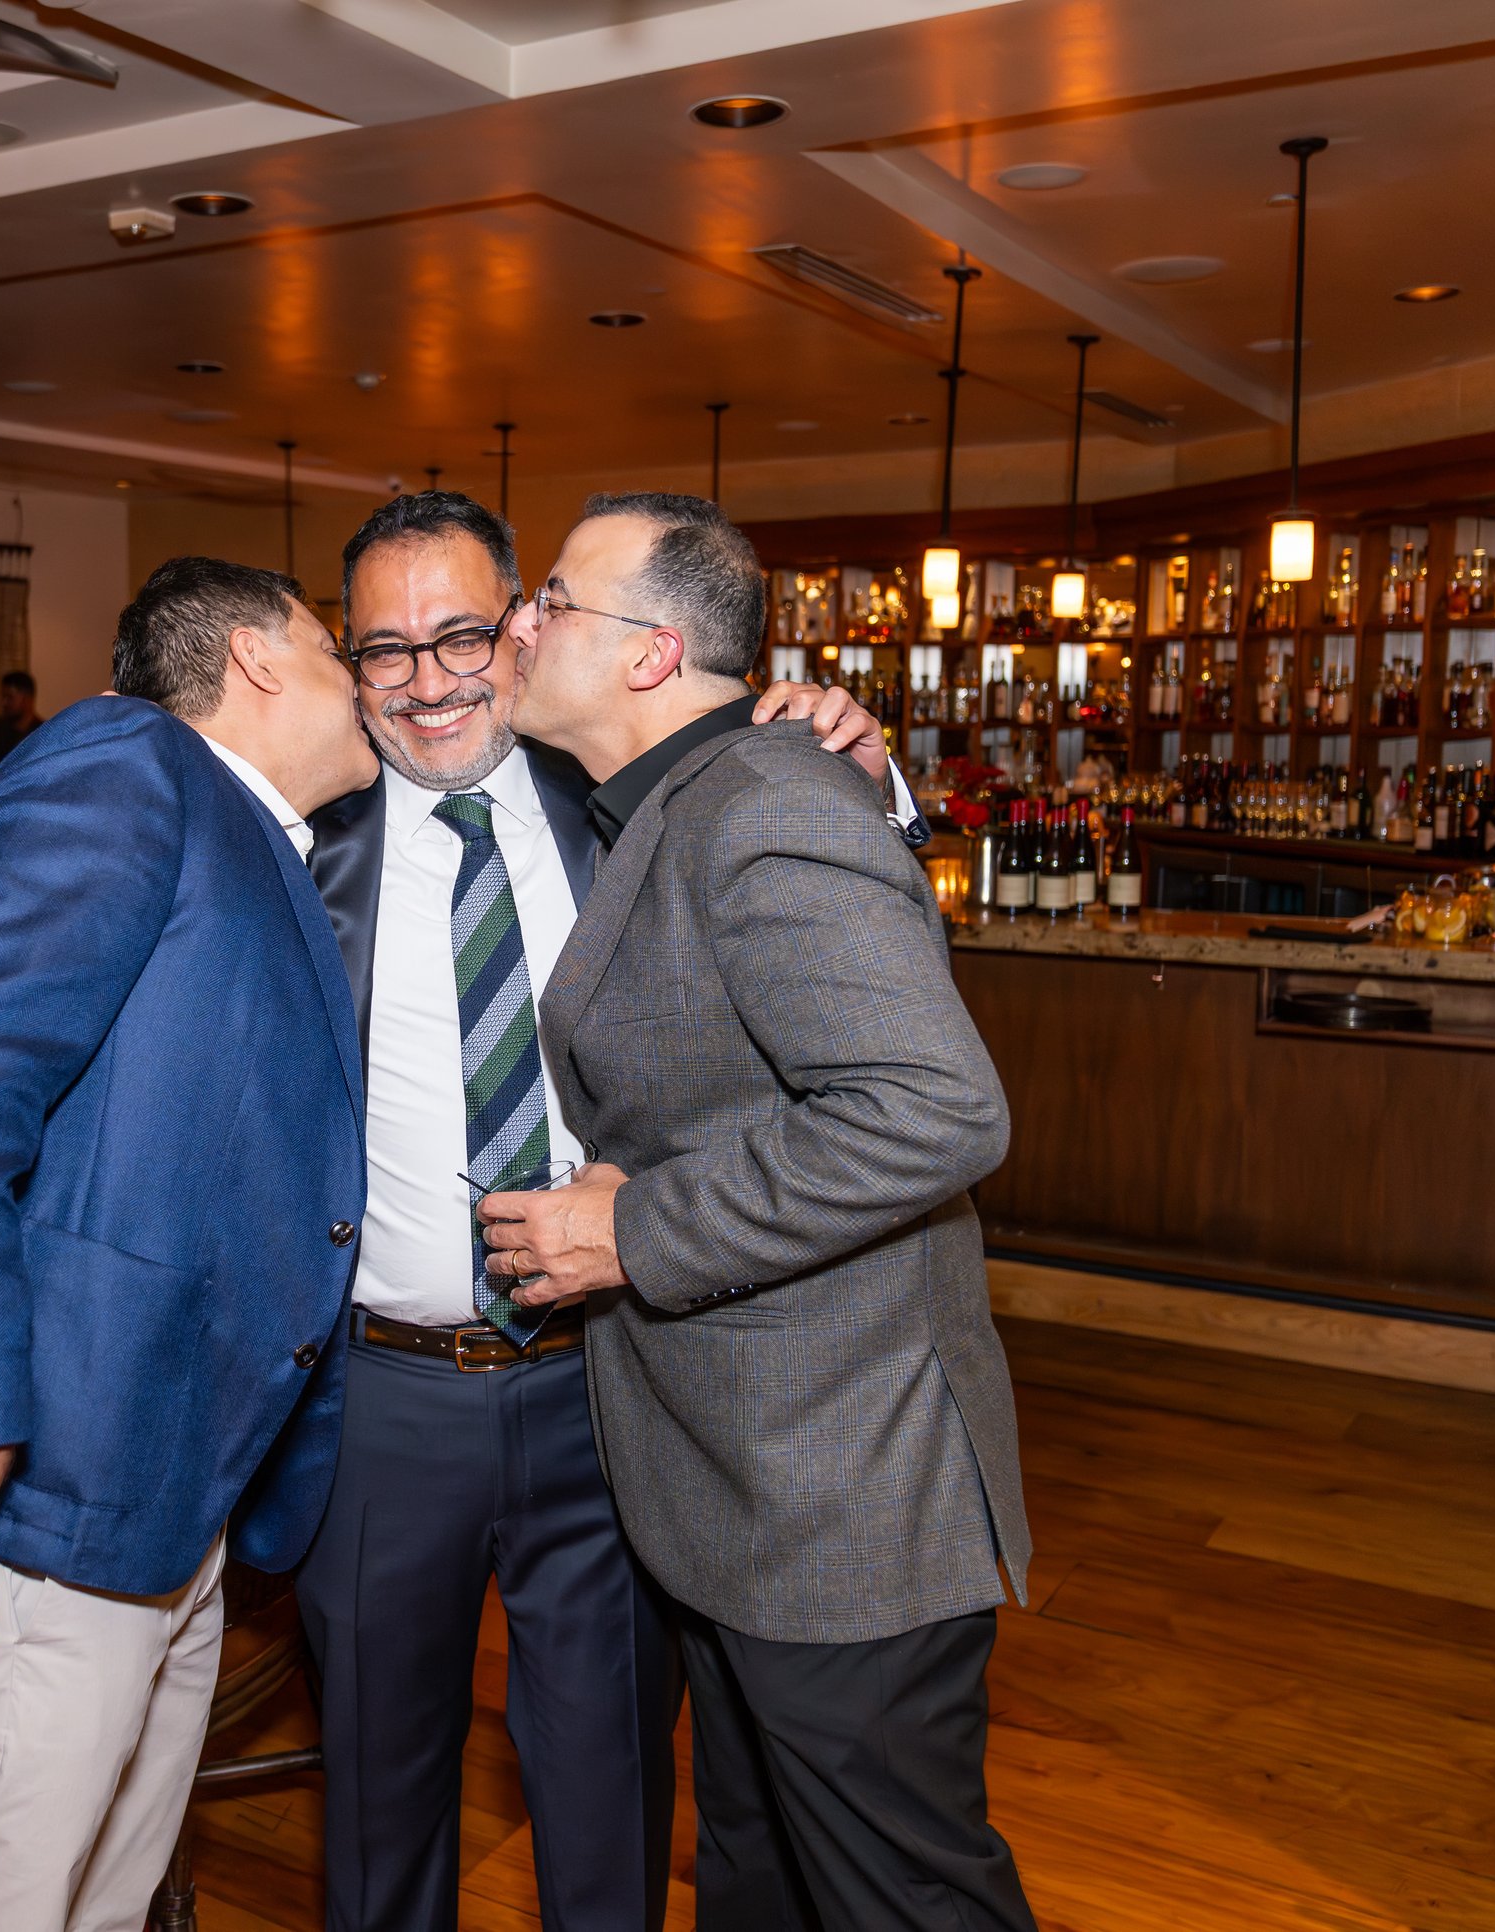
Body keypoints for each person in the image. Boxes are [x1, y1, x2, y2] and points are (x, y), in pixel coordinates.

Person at [302, 490, 894, 1932]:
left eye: (462, 635)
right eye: (386, 649)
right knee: (376, 1802)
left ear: (528, 625)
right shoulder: (298, 843)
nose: (430, 680)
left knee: (610, 1785)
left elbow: (834, 956)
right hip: (379, 1403)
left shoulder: (641, 798)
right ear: (346, 662)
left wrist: (866, 773)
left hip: (617, 1386)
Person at [481, 493, 1038, 1932]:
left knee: (899, 1897)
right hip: (746, 1481)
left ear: (652, 653)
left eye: (552, 599)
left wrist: (633, 1230)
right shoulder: (684, 799)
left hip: (841, 1490)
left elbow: (933, 1109)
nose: (520, 623)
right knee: (763, 1878)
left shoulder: (764, 806)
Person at [0, 556, 379, 1932]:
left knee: (107, 1902)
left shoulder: (254, 832)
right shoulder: (127, 764)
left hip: (166, 1497)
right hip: (49, 1490)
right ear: (256, 656)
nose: (364, 681)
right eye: (337, 649)